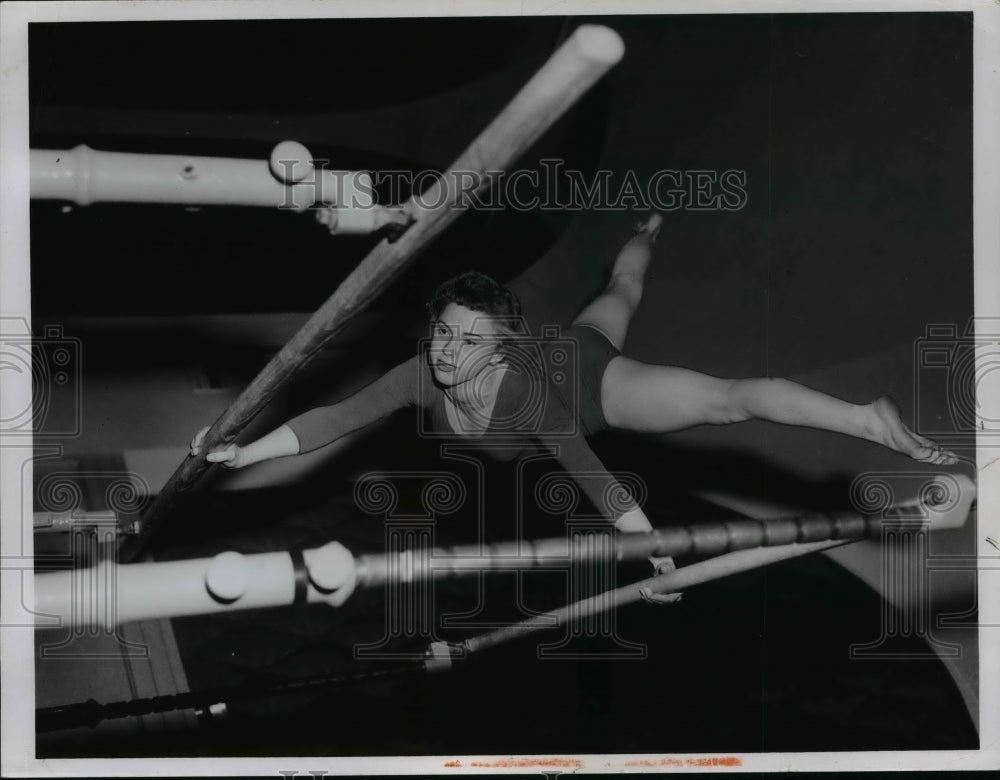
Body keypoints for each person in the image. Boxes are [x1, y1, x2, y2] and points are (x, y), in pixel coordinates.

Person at [191, 213, 958, 604]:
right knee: (621, 291)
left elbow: (589, 473)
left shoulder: (519, 390)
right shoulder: (418, 374)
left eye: (467, 340)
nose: (447, 351)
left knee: (727, 403)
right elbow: (333, 418)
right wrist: (240, 452)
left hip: (593, 387)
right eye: (443, 333)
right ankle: (644, 233)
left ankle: (865, 417)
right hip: (567, 341)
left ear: (496, 349)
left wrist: (651, 549)